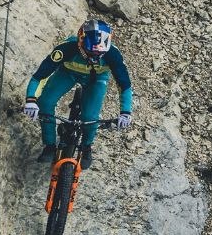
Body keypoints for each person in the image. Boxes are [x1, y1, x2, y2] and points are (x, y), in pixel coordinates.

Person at [22, 19, 133, 169]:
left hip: (97, 78)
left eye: (100, 53)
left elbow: (124, 84)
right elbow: (40, 76)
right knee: (45, 103)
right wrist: (31, 100)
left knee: (90, 117)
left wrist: (125, 112)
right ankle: (49, 145)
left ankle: (86, 147)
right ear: (81, 42)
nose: (95, 56)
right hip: (68, 73)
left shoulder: (113, 54)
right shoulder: (66, 48)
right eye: (91, 52)